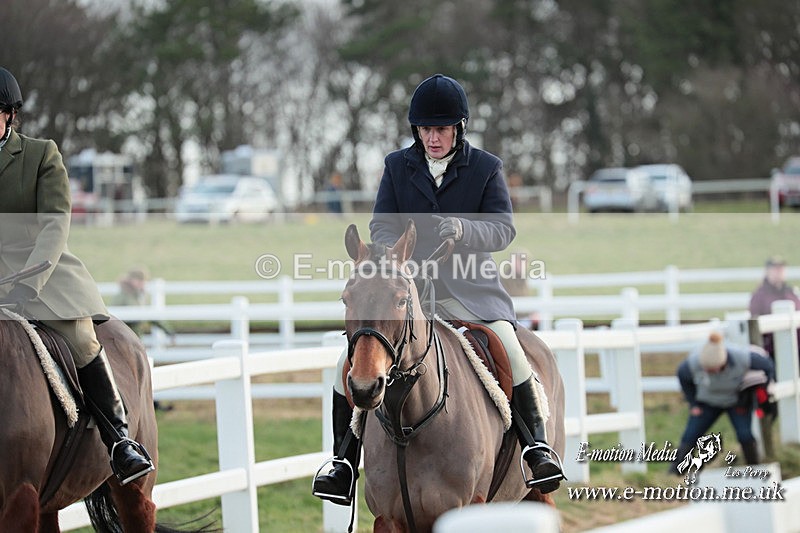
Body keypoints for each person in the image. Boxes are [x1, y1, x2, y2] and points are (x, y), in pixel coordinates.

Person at [312, 73, 564, 505]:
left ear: (458, 128)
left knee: (510, 346)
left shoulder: (486, 168)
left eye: (441, 129)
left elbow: (503, 229)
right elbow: (381, 224)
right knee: (349, 360)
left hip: (472, 294)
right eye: (426, 129)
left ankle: (536, 448)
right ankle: (343, 462)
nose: (432, 137)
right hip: (409, 294)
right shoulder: (397, 166)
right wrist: (393, 254)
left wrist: (466, 228)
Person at [0, 67, 153, 485]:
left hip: (38, 275)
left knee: (82, 338)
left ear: (9, 115)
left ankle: (120, 441)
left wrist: (27, 283)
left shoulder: (39, 155)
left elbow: (54, 224)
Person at [669, 332, 775, 473]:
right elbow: (683, 376)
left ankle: (753, 470)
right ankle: (675, 473)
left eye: (712, 370)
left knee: (745, 434)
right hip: (707, 402)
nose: (709, 372)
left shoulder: (741, 357)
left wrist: (762, 391)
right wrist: (693, 403)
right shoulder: (694, 362)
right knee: (691, 434)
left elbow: (767, 366)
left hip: (737, 401)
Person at [748, 256, 800, 357]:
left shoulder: (791, 292)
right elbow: (754, 323)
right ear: (768, 272)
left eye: (781, 269)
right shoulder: (760, 296)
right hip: (772, 346)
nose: (779, 272)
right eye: (775, 269)